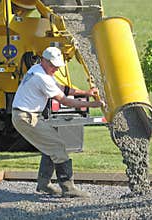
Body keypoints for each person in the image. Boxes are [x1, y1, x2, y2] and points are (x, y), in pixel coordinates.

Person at [12, 47, 105, 198]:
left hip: (26, 116)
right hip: (26, 117)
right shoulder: (41, 77)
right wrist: (92, 105)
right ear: (43, 60)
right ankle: (68, 188)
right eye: (53, 65)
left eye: (57, 66)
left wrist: (85, 92)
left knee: (51, 146)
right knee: (58, 147)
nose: (55, 68)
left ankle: (44, 185)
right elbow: (64, 100)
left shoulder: (38, 69)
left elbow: (60, 88)